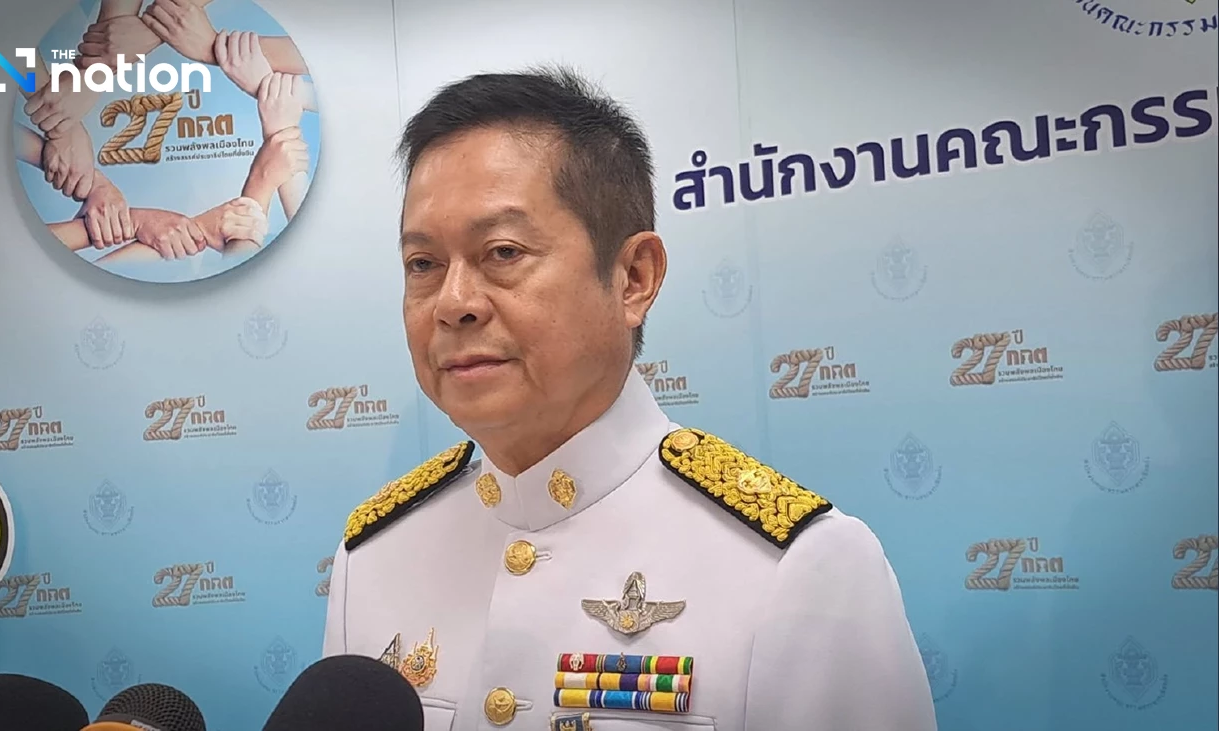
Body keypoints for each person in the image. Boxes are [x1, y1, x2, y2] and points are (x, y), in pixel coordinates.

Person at [322, 66, 937, 731]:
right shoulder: (373, 556)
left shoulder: (801, 566)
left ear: (633, 278)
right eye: (423, 264)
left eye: (502, 252)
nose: (454, 303)